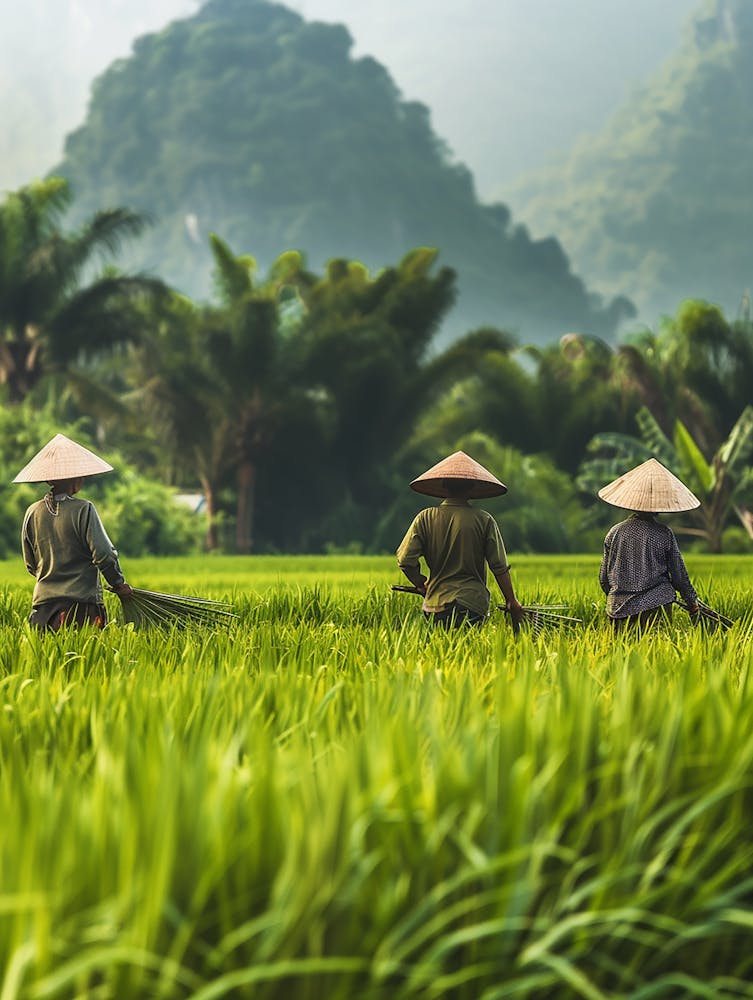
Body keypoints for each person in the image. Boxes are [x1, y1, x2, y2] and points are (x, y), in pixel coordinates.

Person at [13, 433, 133, 631]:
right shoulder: (84, 509)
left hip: (43, 609)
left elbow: (31, 564)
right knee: (86, 660)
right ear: (76, 479)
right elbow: (104, 555)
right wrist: (119, 584)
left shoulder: (32, 512)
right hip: (81, 607)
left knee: (46, 660)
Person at [396, 450, 525, 630]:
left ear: (443, 486)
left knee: (439, 654)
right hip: (472, 603)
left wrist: (421, 584)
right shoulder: (484, 519)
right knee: (469, 655)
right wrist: (511, 601)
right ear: (472, 487)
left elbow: (405, 560)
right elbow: (499, 566)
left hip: (435, 605)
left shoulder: (425, 517)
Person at [598, 457, 700, 630]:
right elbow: (679, 576)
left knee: (621, 654)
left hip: (618, 609)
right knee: (657, 654)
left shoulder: (614, 532)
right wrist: (691, 602)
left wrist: (618, 598)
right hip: (656, 606)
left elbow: (604, 579)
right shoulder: (663, 534)